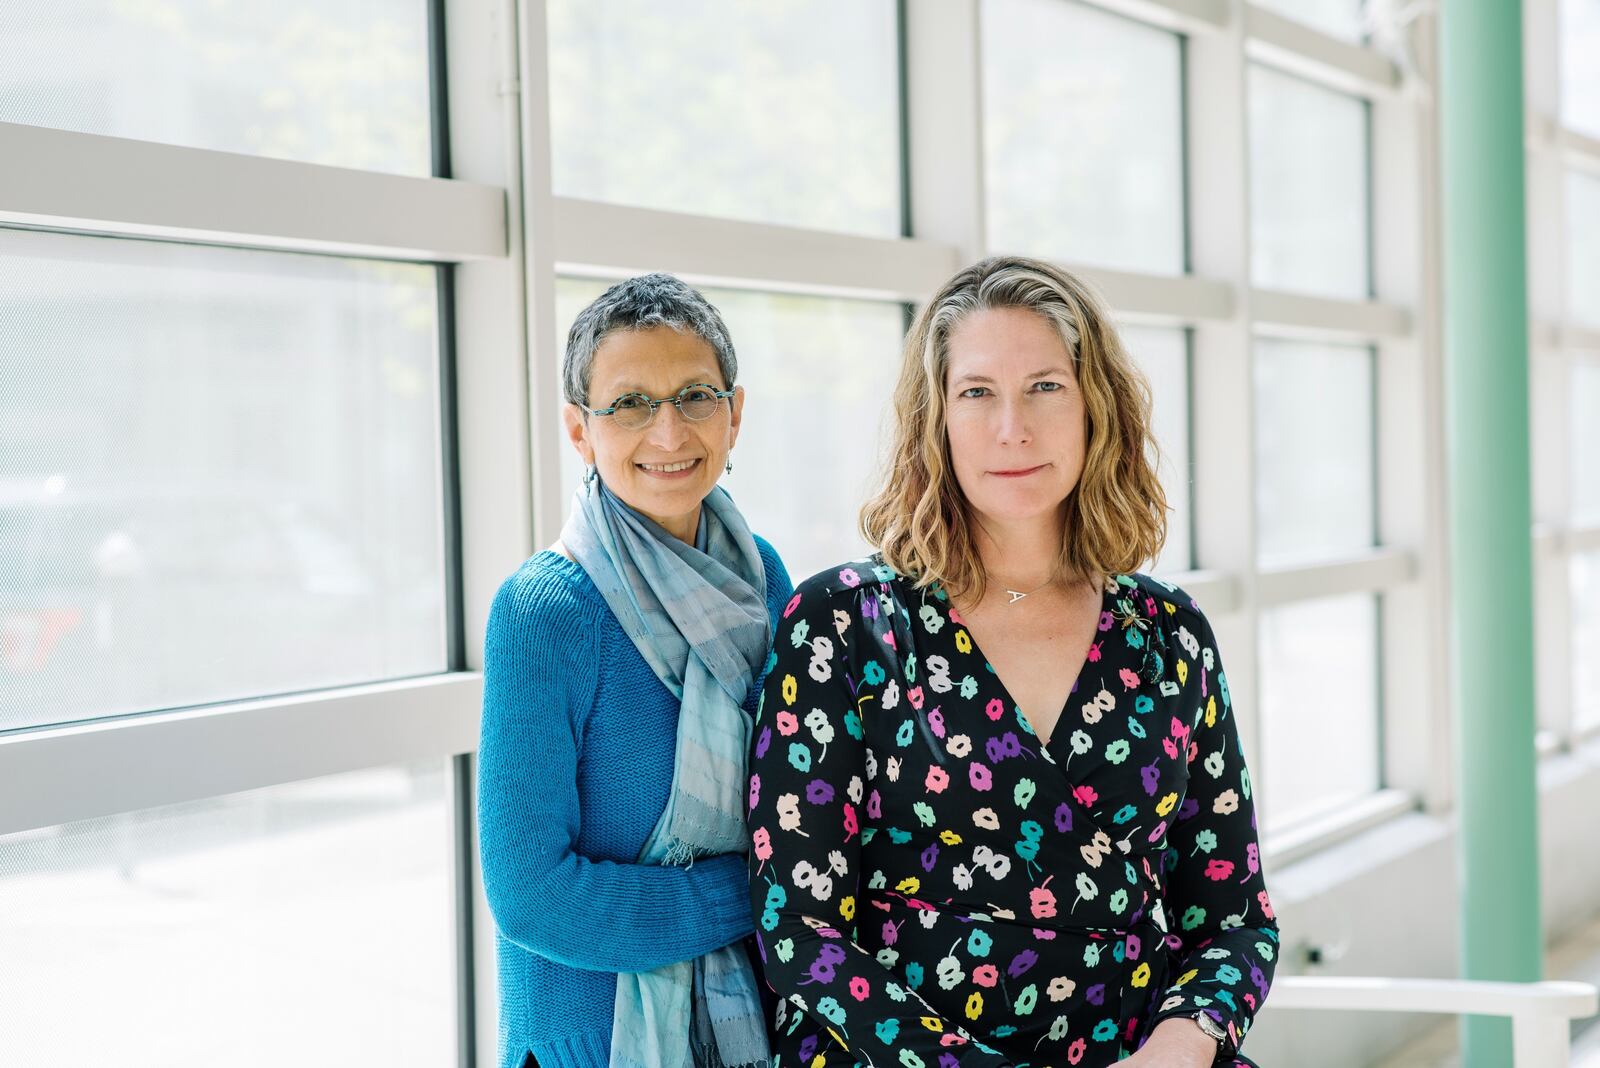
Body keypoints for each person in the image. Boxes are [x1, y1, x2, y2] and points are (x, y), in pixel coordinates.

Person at [746, 256, 1276, 1067]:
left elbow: (1235, 918)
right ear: (937, 419)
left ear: (1097, 405)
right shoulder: (842, 626)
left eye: (1045, 387)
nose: (1012, 428)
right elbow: (800, 929)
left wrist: (1182, 1045)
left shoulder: (1171, 633)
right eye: (977, 392)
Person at [479, 273, 792, 1068]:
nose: (668, 432)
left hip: (760, 1021)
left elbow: (801, 805)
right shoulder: (545, 613)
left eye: (695, 395)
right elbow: (533, 898)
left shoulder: (766, 580)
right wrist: (758, 893)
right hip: (594, 1040)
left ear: (736, 413)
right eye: (629, 403)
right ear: (580, 432)